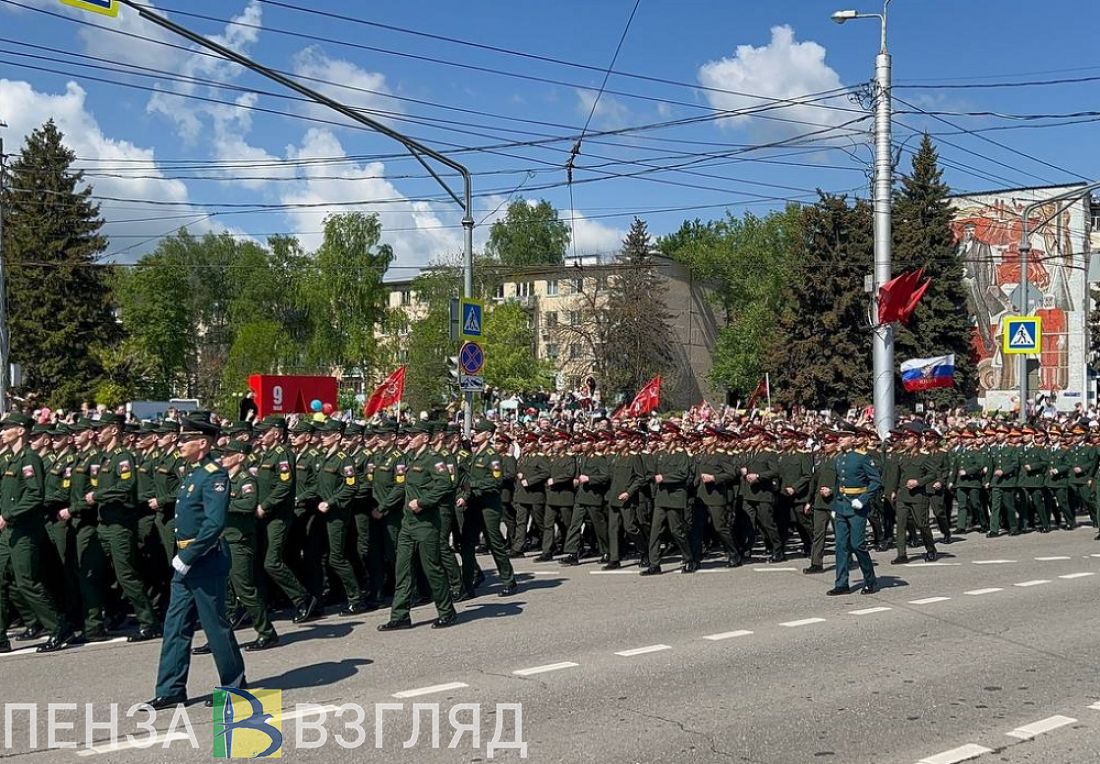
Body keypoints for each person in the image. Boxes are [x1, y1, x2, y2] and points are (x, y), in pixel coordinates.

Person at [146, 414, 246, 709]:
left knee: (215, 627)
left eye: (185, 439)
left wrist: (188, 556)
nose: (179, 443)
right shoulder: (194, 472)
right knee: (175, 625)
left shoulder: (214, 475)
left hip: (205, 560)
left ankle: (234, 686)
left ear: (202, 443)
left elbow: (214, 524)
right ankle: (171, 689)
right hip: (185, 562)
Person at [377, 424, 458, 630]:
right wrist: (384, 506)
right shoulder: (409, 458)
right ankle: (400, 616)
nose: (409, 438)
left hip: (426, 524)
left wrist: (423, 502)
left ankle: (447, 612)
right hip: (407, 523)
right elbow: (402, 486)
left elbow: (445, 484)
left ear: (425, 438)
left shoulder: (433, 459)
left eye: (414, 435)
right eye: (409, 435)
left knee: (432, 569)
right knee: (402, 570)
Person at [827, 428, 882, 596]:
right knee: (841, 546)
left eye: (844, 436)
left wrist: (863, 499)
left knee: (857, 545)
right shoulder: (839, 458)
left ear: (853, 439)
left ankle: (870, 580)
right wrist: (835, 506)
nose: (840, 439)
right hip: (842, 505)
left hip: (857, 506)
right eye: (839, 436)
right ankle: (841, 583)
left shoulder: (862, 457)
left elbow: (875, 481)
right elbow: (838, 484)